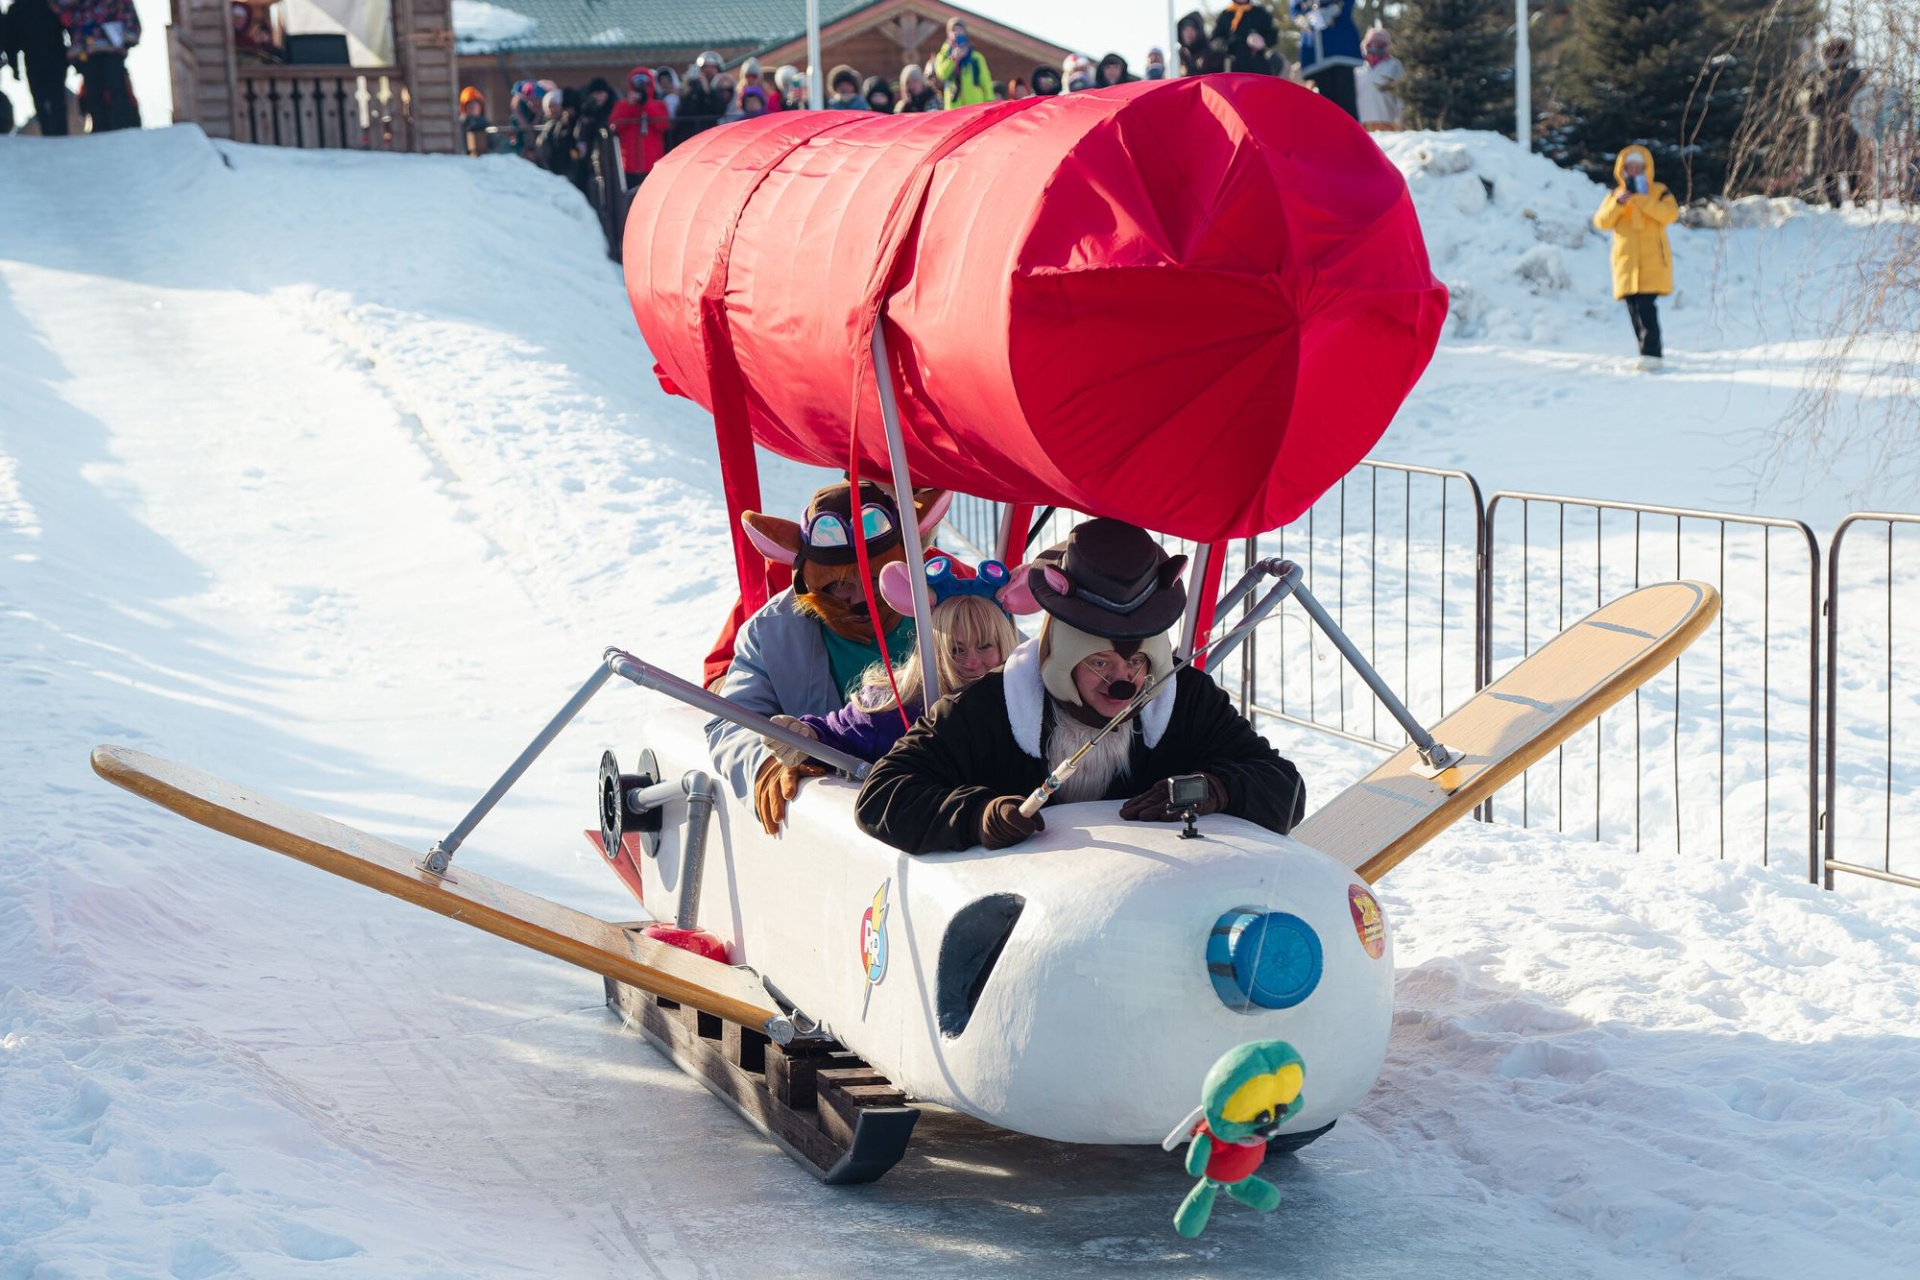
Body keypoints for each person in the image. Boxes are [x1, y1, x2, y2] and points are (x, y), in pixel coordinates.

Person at [857, 519, 1305, 854]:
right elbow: (883, 795)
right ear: (1059, 655)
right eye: (1098, 663)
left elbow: (1285, 788)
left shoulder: (1184, 699)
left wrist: (1217, 788)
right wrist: (977, 816)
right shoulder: (989, 707)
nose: (1123, 683)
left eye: (1135, 661)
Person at [708, 482, 950, 835]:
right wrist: (766, 765)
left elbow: (1020, 679)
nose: (857, 599)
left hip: (946, 801)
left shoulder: (953, 605)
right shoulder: (770, 631)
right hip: (839, 826)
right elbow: (731, 721)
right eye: (838, 586)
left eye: (874, 581)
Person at [767, 559, 1025, 767]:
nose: (971, 661)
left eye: (984, 646)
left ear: (1004, 644)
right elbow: (833, 735)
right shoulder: (894, 708)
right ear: (933, 650)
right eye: (955, 649)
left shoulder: (1031, 703)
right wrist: (803, 734)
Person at [1592, 145, 1678, 370]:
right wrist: (1619, 204)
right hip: (1627, 261)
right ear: (1622, 169)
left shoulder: (1659, 191)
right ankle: (1644, 352)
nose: (1634, 171)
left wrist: (1641, 199)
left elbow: (1669, 214)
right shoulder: (1616, 195)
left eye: (1638, 167)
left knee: (1646, 306)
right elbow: (1602, 222)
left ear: (1646, 168)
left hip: (1652, 261)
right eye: (1629, 167)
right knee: (1633, 308)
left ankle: (1652, 354)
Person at [58, 0, 139, 131]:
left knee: (116, 87)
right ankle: (101, 128)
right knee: (94, 91)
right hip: (86, 48)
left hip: (111, 46)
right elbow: (62, 9)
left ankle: (124, 126)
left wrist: (129, 34)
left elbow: (127, 11)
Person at [1807, 37, 1865, 208]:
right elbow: (1806, 100)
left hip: (1842, 129)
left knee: (1847, 168)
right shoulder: (1818, 77)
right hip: (1828, 131)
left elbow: (1862, 101)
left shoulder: (1852, 77)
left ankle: (1854, 200)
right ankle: (1840, 203)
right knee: (1831, 170)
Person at [4, 0, 70, 136]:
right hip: (49, 57)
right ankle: (58, 133)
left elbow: (11, 44)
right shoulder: (49, 4)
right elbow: (11, 42)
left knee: (43, 99)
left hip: (43, 58)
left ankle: (52, 132)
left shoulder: (18, 8)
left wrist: (15, 68)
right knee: (53, 98)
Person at [1292, 0, 1363, 117]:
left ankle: (1350, 134)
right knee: (1326, 105)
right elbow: (1295, 9)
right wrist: (1303, 19)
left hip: (1340, 46)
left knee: (1346, 101)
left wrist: (1335, 10)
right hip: (1315, 49)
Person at [609, 67, 668, 186]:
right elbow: (614, 125)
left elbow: (663, 125)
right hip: (629, 165)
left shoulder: (658, 105)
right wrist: (629, 106)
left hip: (653, 163)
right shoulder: (622, 105)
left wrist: (646, 105)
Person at [932, 18, 992, 107]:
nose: (957, 33)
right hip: (954, 108)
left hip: (975, 106)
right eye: (953, 31)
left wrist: (990, 104)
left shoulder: (975, 58)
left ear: (966, 33)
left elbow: (986, 83)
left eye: (960, 30)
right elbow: (942, 75)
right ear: (948, 34)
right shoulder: (943, 55)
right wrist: (953, 59)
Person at [1354, 26, 1403, 130]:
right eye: (1372, 43)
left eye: (1380, 44)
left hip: (1388, 122)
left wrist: (1401, 119)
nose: (1375, 46)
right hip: (1362, 124)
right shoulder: (1357, 68)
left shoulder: (1394, 65)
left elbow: (1400, 94)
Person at [1212, 2, 1279, 75]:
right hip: (1233, 68)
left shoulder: (1260, 13)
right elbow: (1214, 41)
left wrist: (1262, 41)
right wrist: (1227, 45)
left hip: (1257, 67)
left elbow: (1273, 36)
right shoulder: (1225, 15)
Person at [1177, 11, 1221, 77]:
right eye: (1186, 30)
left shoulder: (1211, 52)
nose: (1189, 33)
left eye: (1192, 30)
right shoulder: (1178, 56)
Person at [458, 85, 490, 157]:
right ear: (464, 108)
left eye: (475, 105)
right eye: (470, 106)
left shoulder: (486, 124)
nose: (473, 108)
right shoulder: (461, 125)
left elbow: (495, 143)